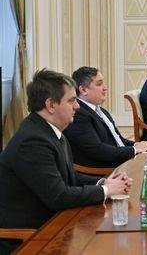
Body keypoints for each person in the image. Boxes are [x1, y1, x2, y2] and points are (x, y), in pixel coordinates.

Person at [0, 70, 131, 253]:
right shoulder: (32, 141)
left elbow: (69, 175)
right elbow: (58, 196)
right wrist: (107, 191)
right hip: (30, 238)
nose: (77, 106)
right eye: (71, 101)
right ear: (51, 105)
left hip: (54, 224)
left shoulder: (49, 131)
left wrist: (104, 182)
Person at [64, 67, 147, 169]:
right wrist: (134, 150)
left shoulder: (102, 111)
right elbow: (97, 150)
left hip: (116, 162)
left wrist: (139, 145)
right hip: (101, 170)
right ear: (83, 90)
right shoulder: (78, 114)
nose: (105, 88)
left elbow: (119, 141)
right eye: (99, 84)